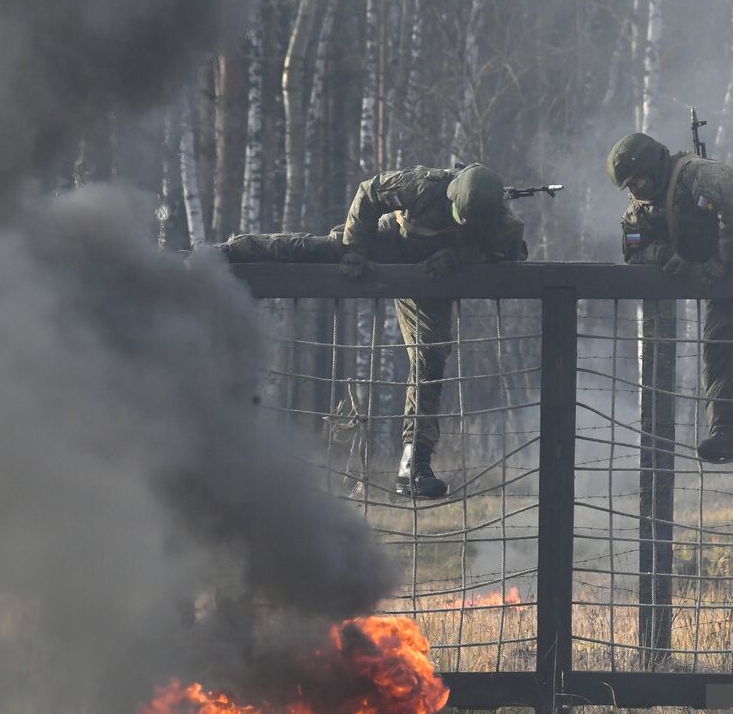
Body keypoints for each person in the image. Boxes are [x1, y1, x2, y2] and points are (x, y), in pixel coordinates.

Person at [222, 163, 527, 498]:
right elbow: (369, 192)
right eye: (458, 216)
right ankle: (233, 250)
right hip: (391, 240)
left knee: (431, 358)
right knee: (317, 250)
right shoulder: (424, 187)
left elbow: (513, 252)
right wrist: (355, 249)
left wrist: (461, 256)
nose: (462, 223)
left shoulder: (500, 221)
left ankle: (414, 464)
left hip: (432, 273)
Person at [606, 132, 733, 464]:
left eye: (638, 181)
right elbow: (634, 249)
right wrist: (663, 253)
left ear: (653, 167)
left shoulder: (697, 174)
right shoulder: (641, 210)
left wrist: (720, 262)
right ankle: (726, 433)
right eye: (630, 186)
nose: (635, 190)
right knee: (718, 347)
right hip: (718, 266)